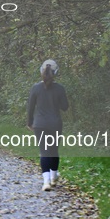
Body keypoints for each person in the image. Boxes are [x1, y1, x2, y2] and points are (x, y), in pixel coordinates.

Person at [27, 59, 69, 191]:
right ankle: (53, 177)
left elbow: (30, 107)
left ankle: (46, 182)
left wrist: (30, 122)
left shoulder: (35, 88)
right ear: (56, 72)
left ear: (41, 70)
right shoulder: (60, 88)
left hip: (39, 124)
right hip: (54, 124)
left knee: (44, 151)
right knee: (53, 151)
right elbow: (65, 107)